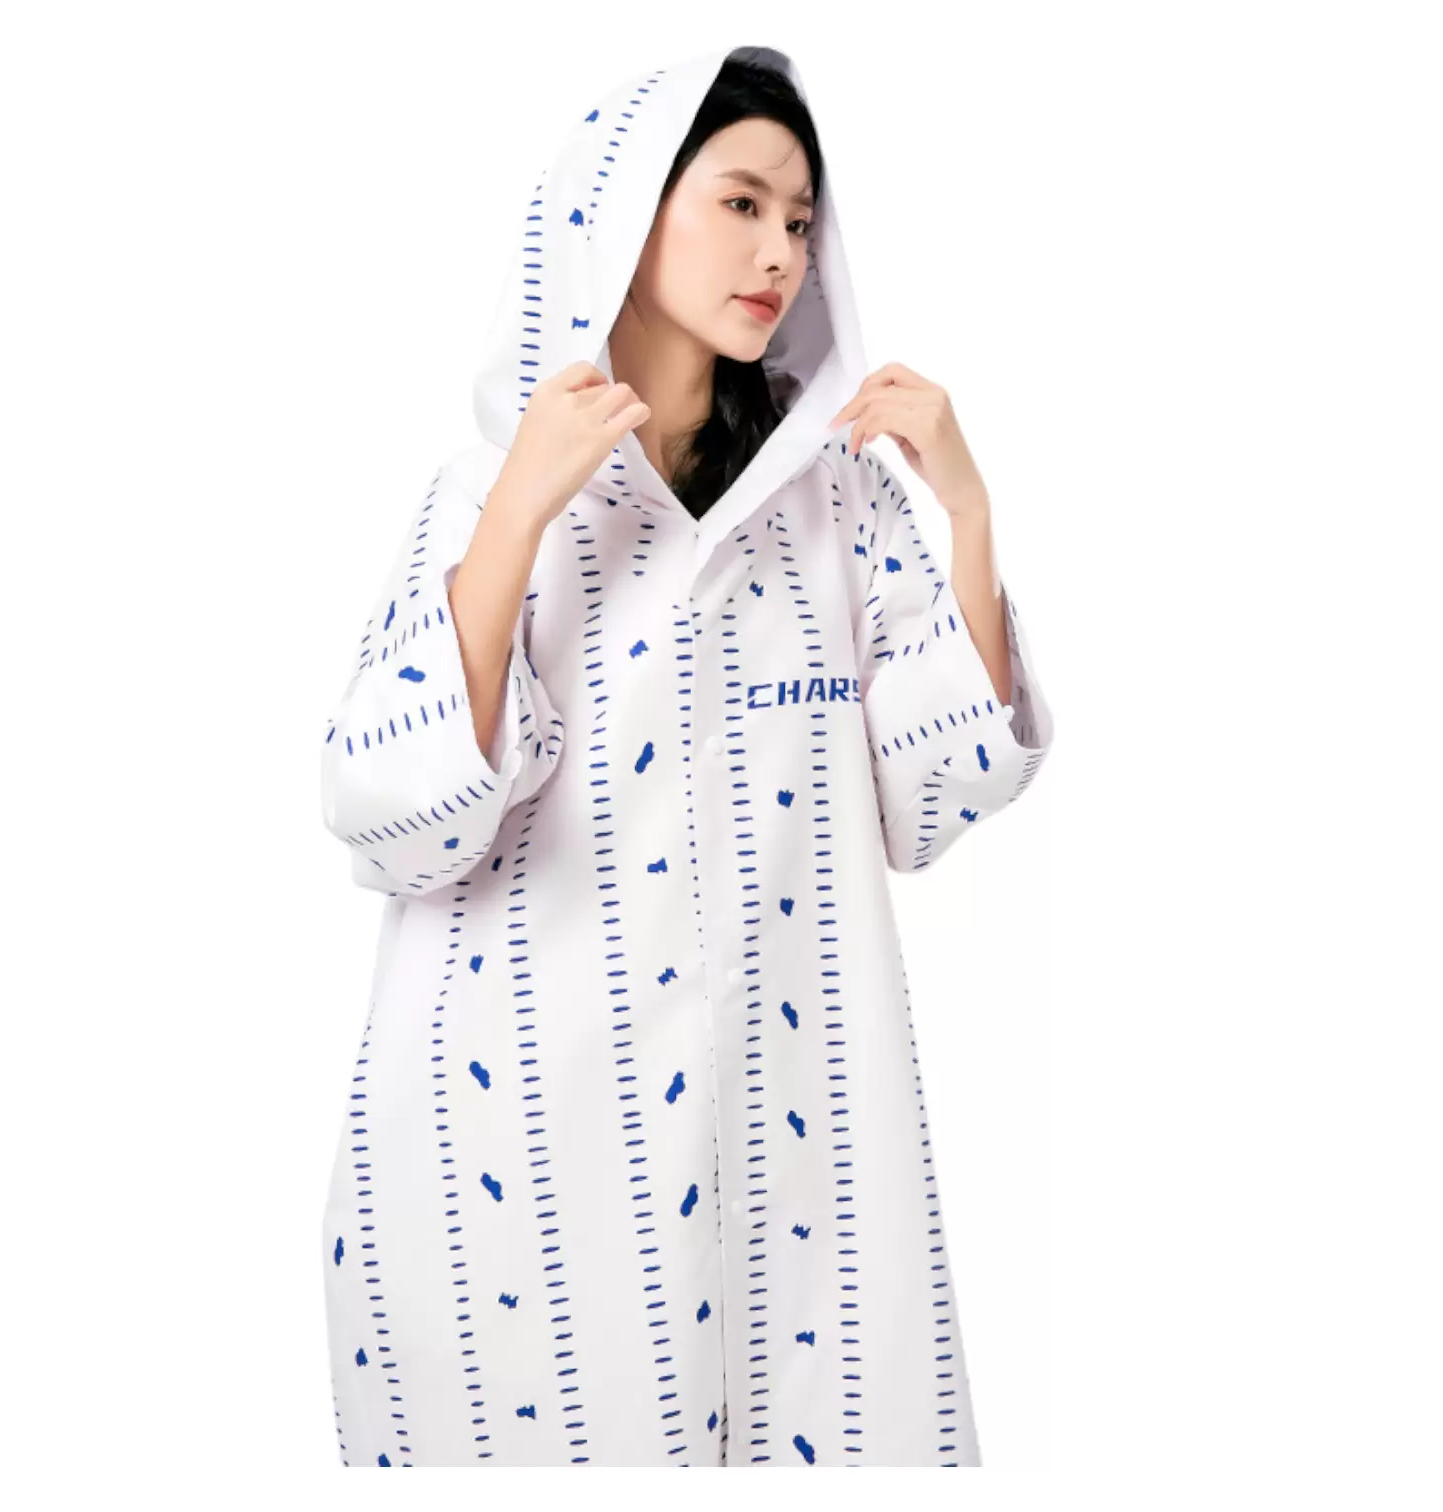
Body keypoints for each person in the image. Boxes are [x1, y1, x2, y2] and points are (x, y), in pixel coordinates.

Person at [318, 41, 1054, 1468]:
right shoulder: (488, 491)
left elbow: (932, 789)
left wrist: (965, 512)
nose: (781, 250)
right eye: (741, 202)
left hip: (794, 1127)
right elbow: (383, 808)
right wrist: (519, 516)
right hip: (522, 1138)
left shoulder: (835, 503)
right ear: (625, 210)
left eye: (801, 219)